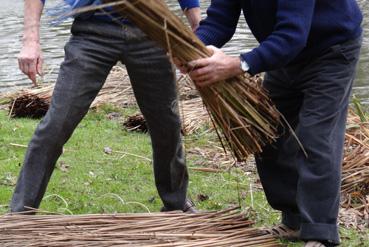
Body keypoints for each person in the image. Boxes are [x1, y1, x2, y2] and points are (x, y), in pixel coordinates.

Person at [178, 1, 363, 246]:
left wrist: (238, 64)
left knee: (316, 139)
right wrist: (192, 49)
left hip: (330, 50)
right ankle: (294, 219)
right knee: (267, 131)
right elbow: (220, 20)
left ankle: (320, 231)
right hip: (286, 54)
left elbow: (292, 35)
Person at [11, 0, 201, 214]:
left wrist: (196, 24)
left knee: (167, 125)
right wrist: (30, 40)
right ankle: (20, 213)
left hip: (150, 30)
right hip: (92, 32)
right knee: (57, 123)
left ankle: (176, 205)